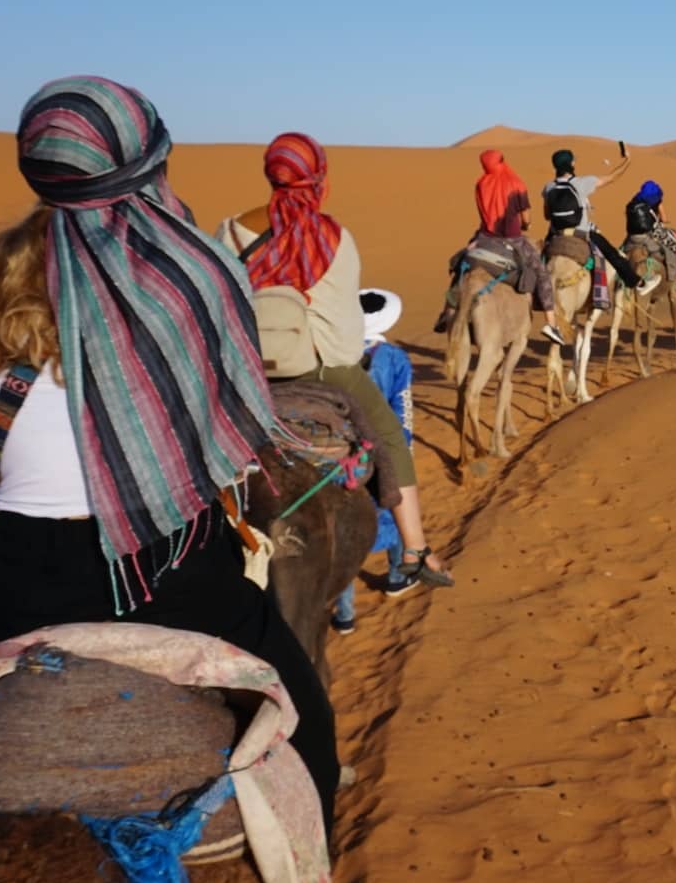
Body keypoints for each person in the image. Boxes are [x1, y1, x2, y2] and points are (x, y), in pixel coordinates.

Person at [0, 76, 339, 837]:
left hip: (17, 574)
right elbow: (217, 426)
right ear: (150, 163)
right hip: (164, 564)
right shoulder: (193, 276)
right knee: (310, 733)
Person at [219, 133, 454, 594]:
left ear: (272, 174)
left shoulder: (228, 232)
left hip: (243, 372)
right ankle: (414, 549)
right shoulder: (333, 237)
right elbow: (346, 325)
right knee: (389, 437)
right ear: (318, 177)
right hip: (323, 368)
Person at [332, 289, 410, 633]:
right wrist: (402, 450)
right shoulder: (394, 358)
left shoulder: (331, 355)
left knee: (342, 529)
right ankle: (396, 576)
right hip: (380, 448)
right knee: (393, 506)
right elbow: (403, 410)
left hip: (338, 453)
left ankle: (345, 613)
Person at [434, 149, 566, 342]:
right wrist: (526, 224)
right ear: (502, 162)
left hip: (484, 237)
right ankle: (551, 324)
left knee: (460, 264)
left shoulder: (481, 184)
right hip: (512, 239)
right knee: (541, 272)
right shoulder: (516, 183)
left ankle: (447, 311)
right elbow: (526, 218)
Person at [540, 146, 641, 310]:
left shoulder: (548, 187)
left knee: (539, 260)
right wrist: (627, 161)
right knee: (612, 254)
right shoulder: (581, 183)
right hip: (582, 234)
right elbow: (611, 178)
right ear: (571, 164)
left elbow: (546, 216)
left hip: (555, 236)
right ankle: (636, 282)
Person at [623, 180, 676, 297]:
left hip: (632, 237)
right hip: (652, 233)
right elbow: (664, 218)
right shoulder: (657, 201)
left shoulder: (634, 202)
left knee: (620, 254)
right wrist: (663, 221)